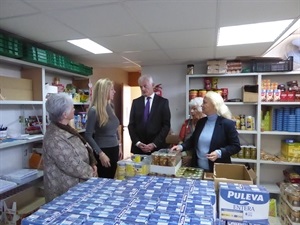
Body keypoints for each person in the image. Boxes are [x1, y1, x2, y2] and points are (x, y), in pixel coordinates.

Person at [43, 93, 97, 203]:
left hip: (76, 189)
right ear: (64, 114)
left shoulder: (66, 129)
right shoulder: (54, 137)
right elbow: (71, 165)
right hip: (64, 196)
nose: (74, 109)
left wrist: (92, 164)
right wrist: (91, 171)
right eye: (72, 107)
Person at [171, 91, 241, 172]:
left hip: (217, 170)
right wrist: (181, 147)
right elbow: (193, 140)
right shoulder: (201, 122)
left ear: (214, 105)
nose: (201, 105)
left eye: (204, 103)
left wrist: (220, 153)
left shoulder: (227, 124)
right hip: (198, 169)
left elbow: (236, 146)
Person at [85, 78, 122, 179]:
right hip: (103, 151)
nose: (114, 91)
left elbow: (115, 128)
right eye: (112, 89)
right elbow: (88, 135)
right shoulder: (94, 111)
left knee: (112, 178)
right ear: (104, 91)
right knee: (104, 180)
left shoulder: (111, 106)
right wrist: (100, 154)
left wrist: (119, 145)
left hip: (114, 149)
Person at [128, 75, 171, 155]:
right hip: (139, 149)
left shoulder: (163, 102)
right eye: (141, 87)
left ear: (152, 85)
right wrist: (137, 143)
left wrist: (154, 144)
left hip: (157, 149)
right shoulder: (136, 102)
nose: (143, 89)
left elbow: (166, 126)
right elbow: (131, 125)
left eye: (145, 86)